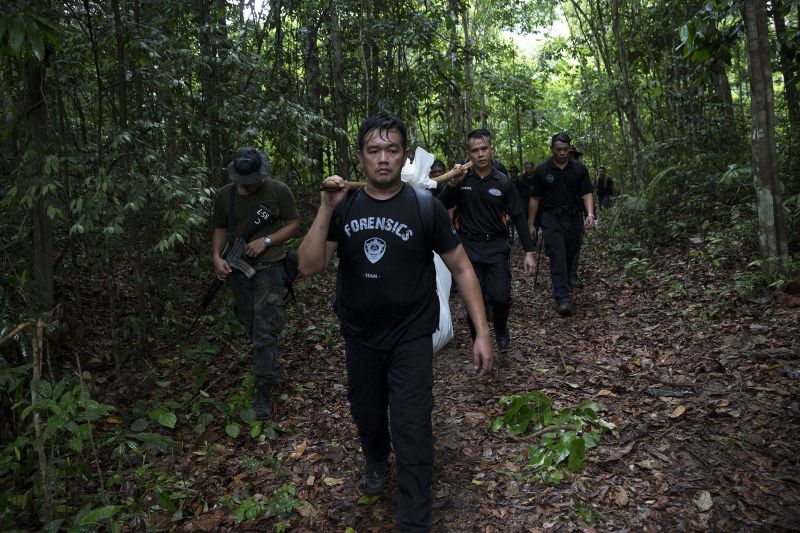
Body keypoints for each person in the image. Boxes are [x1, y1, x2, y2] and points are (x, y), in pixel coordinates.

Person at [297, 113, 493, 532]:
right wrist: (323, 208)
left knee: (412, 424)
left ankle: (413, 518)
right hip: (361, 336)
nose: (383, 158)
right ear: (361, 157)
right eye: (374, 150)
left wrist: (482, 332)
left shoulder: (425, 206)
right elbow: (310, 265)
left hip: (411, 336)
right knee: (367, 413)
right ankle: (373, 456)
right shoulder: (345, 205)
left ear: (404, 156)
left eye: (392, 149)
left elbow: (461, 269)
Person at [211, 147, 301, 419]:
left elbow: (295, 223)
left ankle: (263, 389)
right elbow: (220, 228)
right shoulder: (225, 196)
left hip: (271, 266)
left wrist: (267, 241)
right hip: (239, 269)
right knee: (249, 320)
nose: (254, 184)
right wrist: (216, 257)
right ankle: (268, 360)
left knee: (264, 327)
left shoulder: (278, 190)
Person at [437, 129, 536, 350]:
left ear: (491, 149)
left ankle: (500, 326)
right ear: (468, 154)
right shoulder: (461, 179)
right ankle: (478, 340)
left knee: (501, 297)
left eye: (484, 149)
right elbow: (441, 205)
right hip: (468, 249)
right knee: (475, 298)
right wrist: (452, 183)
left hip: (497, 247)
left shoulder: (503, 182)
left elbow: (518, 216)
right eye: (475, 150)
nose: (480, 154)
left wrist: (529, 251)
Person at [528, 133, 595, 316]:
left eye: (565, 150)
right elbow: (535, 198)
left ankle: (565, 281)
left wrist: (590, 214)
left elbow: (587, 193)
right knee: (557, 254)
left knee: (570, 252)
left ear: (570, 149)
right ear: (552, 149)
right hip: (551, 218)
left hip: (574, 217)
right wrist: (531, 224)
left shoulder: (579, 169)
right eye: (558, 150)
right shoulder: (542, 170)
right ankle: (562, 297)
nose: (562, 153)